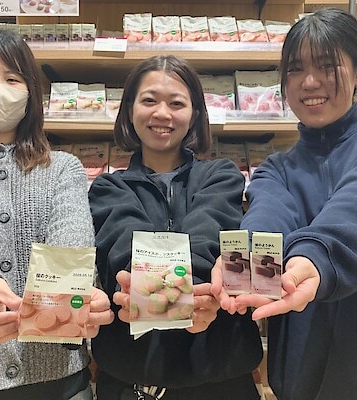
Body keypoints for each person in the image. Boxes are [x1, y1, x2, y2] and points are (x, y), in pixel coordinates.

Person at [88, 54, 262, 400]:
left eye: (177, 103)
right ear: (129, 110)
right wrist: (180, 297)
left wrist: (168, 294)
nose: (162, 113)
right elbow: (125, 250)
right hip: (132, 385)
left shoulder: (222, 175)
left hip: (223, 383)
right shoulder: (107, 188)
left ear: (195, 114)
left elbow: (208, 236)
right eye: (149, 100)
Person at [0, 27, 114, 400]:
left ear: (30, 93)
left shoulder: (62, 167)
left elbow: (71, 238)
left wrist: (78, 290)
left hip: (62, 378)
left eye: (13, 79)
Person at [211, 7, 357, 400]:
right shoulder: (276, 168)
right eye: (295, 69)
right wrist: (241, 259)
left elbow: (350, 207)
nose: (310, 82)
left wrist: (313, 257)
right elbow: (267, 214)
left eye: (327, 66)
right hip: (298, 379)